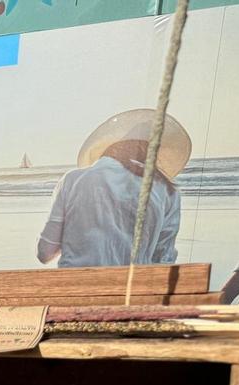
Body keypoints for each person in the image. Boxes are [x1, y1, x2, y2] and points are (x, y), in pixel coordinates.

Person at [37, 109, 189, 269]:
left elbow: (44, 253)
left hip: (75, 289)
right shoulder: (167, 191)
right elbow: (164, 261)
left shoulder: (73, 181)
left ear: (114, 147)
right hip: (133, 291)